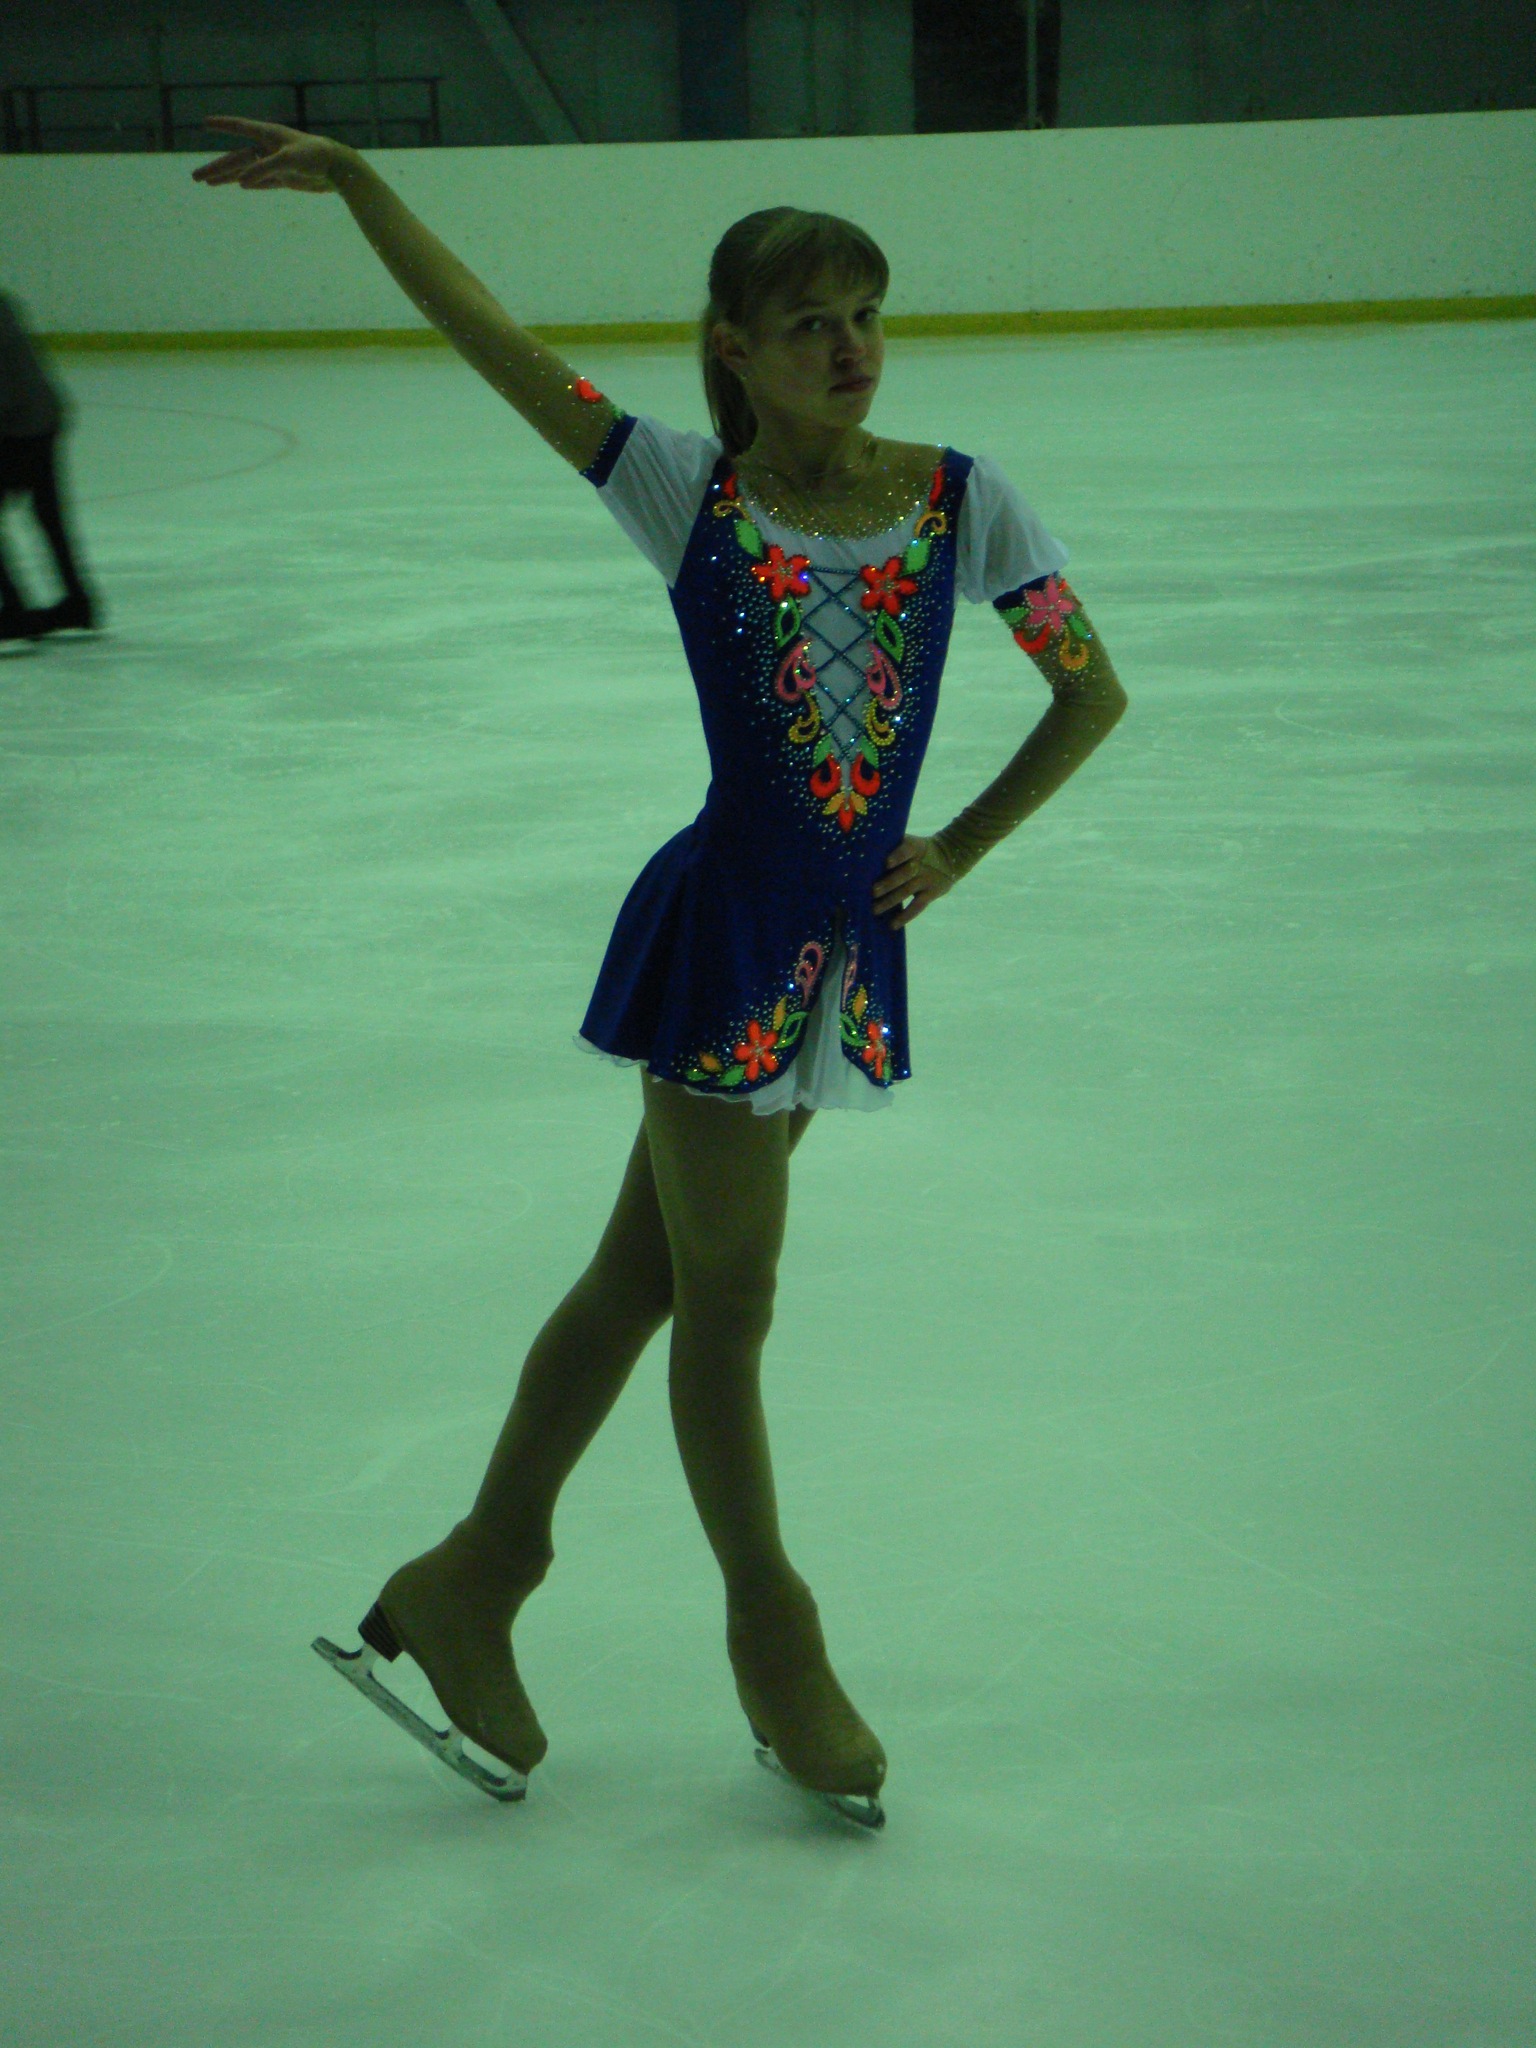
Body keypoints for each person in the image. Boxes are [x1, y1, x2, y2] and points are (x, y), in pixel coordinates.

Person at [194, 116, 1129, 1813]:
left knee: (647, 1278)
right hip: (723, 949)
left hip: (838, 958)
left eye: (865, 314)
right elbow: (501, 347)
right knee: (731, 1300)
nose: (848, 347)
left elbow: (1092, 690)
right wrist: (365, 185)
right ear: (734, 346)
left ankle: (476, 1573)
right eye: (808, 323)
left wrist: (960, 845)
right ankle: (774, 1636)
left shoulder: (958, 498)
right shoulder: (684, 493)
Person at [0, 289, 100, 650]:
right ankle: (77, 601)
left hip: (19, 425)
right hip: (43, 415)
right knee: (49, 514)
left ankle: (14, 610)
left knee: (47, 514)